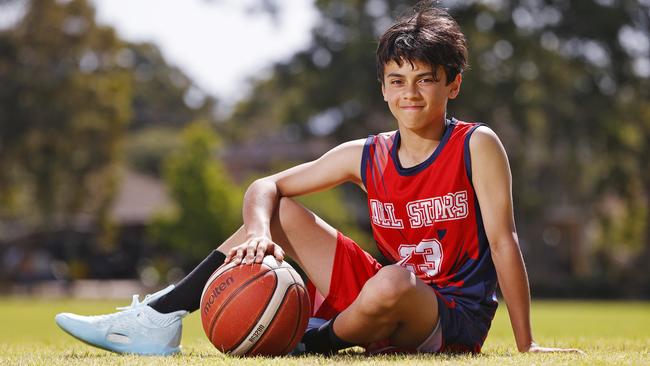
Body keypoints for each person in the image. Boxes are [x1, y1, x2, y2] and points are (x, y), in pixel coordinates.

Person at [55, 1, 583, 356]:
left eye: (426, 80)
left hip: (448, 315)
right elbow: (264, 187)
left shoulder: (476, 144)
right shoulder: (368, 154)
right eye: (397, 81)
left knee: (395, 280)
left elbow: (503, 242)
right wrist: (261, 231)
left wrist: (525, 344)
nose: (411, 94)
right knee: (281, 212)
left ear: (454, 84)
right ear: (382, 89)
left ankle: (310, 344)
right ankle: (160, 317)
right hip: (380, 292)